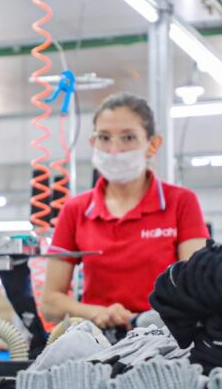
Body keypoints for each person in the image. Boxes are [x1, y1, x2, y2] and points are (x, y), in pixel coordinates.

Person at [40, 93, 210, 329]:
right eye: (104, 138)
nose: (114, 149)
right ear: (93, 143)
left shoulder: (180, 203)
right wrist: (96, 312)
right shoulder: (76, 210)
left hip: (166, 337)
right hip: (97, 338)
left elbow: (197, 287)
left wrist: (147, 319)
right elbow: (50, 303)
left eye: (128, 137)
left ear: (153, 144)